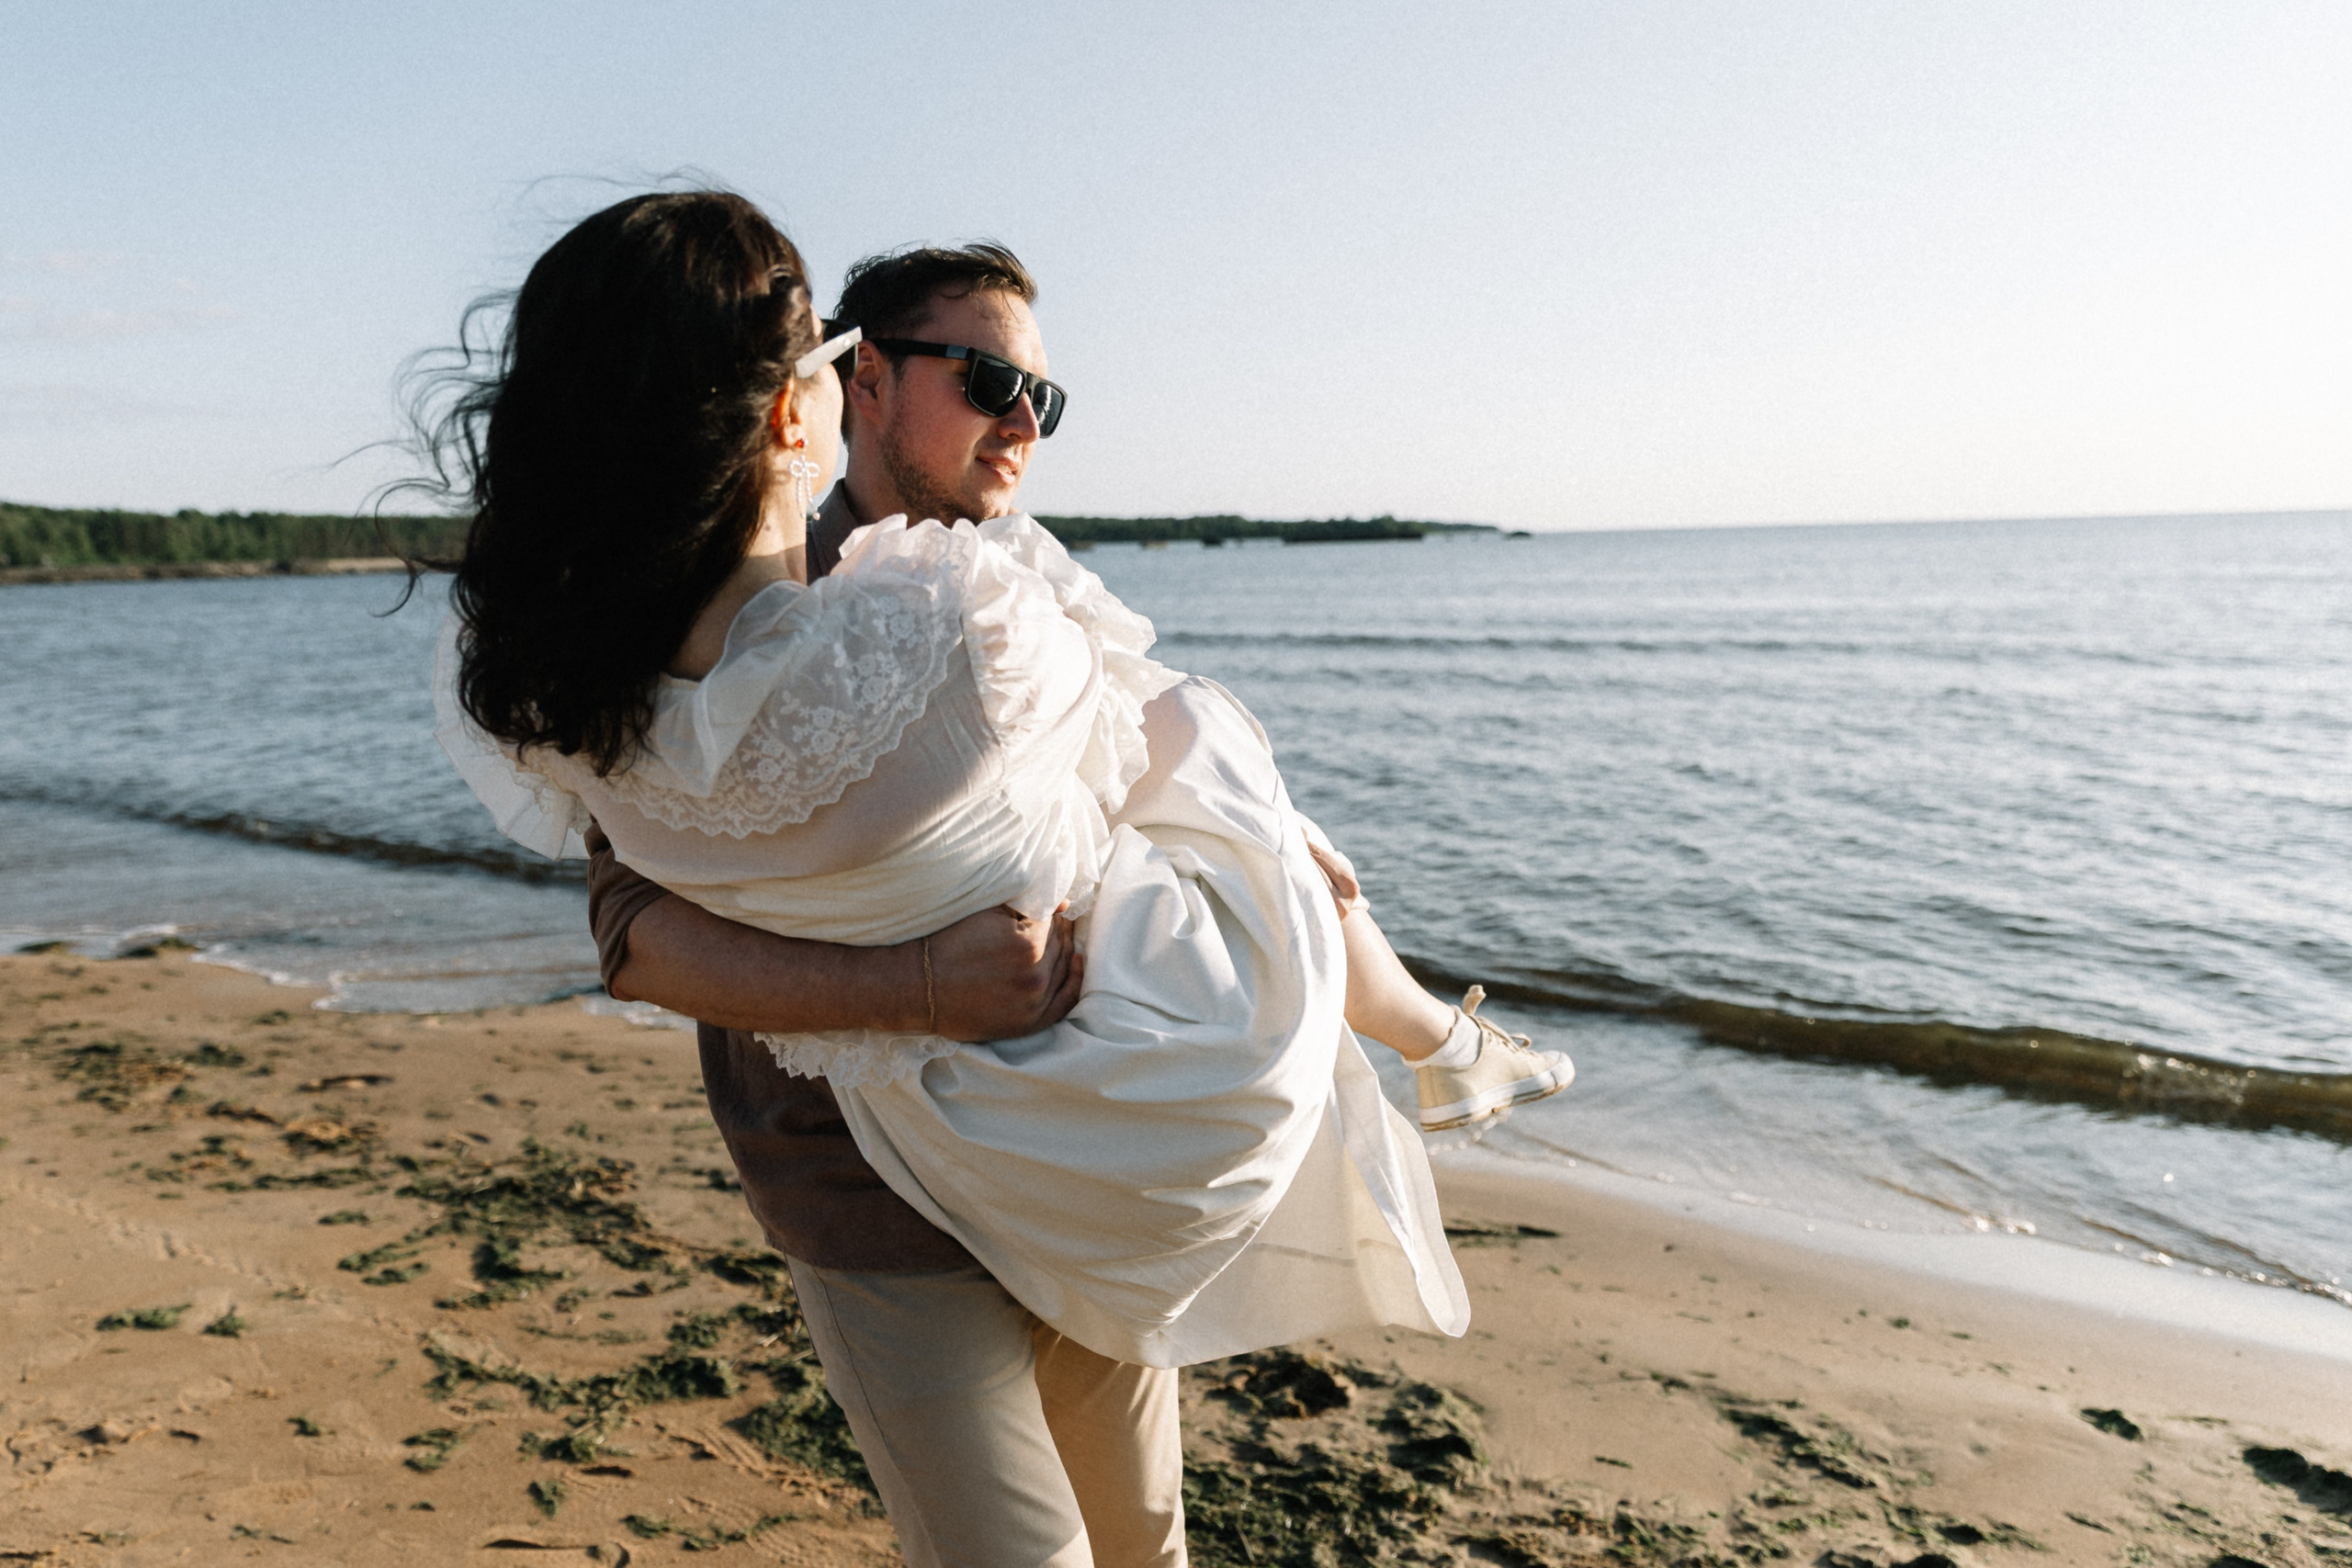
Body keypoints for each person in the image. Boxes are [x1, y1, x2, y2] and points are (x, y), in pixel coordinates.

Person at [431, 195, 1569, 1567]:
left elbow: (1119, 778)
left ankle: (1443, 1038)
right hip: (864, 1190)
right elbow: (633, 941)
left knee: (1141, 1533)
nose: (1024, 420)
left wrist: (1255, 836)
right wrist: (914, 982)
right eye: (991, 382)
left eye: (1045, 394)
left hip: (1080, 1148)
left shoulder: (990, 583)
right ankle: (1441, 1037)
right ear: (847, 384)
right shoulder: (724, 628)